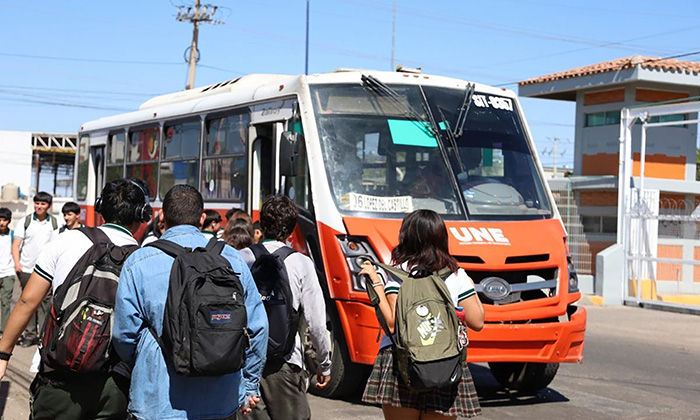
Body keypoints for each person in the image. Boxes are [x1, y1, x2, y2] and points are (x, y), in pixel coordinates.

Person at [113, 184, 268, 420]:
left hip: (159, 402)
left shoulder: (139, 261)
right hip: (222, 400)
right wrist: (248, 386)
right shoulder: (232, 260)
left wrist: (148, 360)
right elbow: (258, 329)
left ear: (162, 216)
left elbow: (124, 335)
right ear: (202, 218)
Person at [0, 178, 149, 419]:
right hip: (115, 384)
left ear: (100, 208)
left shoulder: (66, 240)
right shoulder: (143, 258)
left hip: (60, 377)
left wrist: (4, 353)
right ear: (142, 216)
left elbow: (28, 301)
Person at [359, 209, 484, 419]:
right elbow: (478, 321)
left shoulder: (396, 272)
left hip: (401, 360)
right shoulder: (455, 274)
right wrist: (469, 285)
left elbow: (391, 325)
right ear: (441, 237)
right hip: (445, 360)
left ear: (405, 236)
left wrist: (377, 283)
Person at [236, 195, 331, 420]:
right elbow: (317, 323)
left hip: (245, 363)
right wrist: (324, 363)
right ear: (291, 229)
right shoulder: (301, 263)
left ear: (261, 223)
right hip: (286, 364)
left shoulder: (240, 258)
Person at [11, 191, 58, 347]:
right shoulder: (25, 221)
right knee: (28, 302)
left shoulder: (54, 223)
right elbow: (16, 244)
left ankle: (43, 335)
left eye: (43, 204)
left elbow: (55, 247)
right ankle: (30, 334)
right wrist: (17, 264)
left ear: (48, 206)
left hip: (45, 270)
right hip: (26, 268)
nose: (39, 206)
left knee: (45, 303)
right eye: (37, 203)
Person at [0, 208, 15, 334]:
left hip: (8, 273)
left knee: (6, 303)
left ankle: (3, 331)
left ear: (9, 221)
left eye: (4, 220)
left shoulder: (13, 235)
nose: (1, 223)